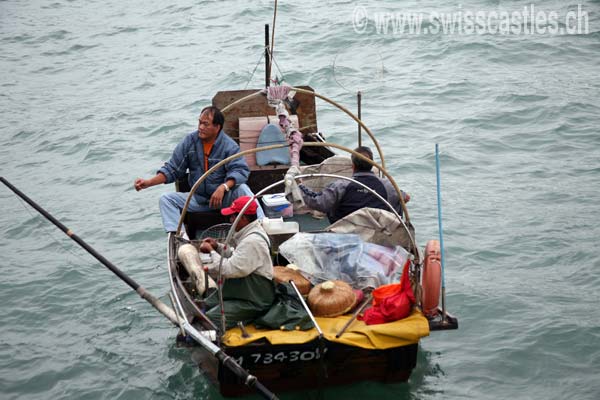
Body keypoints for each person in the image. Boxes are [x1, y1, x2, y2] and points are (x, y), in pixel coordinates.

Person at [134, 106, 263, 233]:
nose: (201, 127)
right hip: (199, 199)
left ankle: (262, 226)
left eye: (206, 124)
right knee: (166, 200)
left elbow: (240, 170)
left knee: (243, 190)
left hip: (225, 199)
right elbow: (173, 168)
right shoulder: (189, 142)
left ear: (217, 127)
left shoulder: (229, 146)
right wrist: (148, 183)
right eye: (200, 122)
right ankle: (180, 237)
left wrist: (223, 187)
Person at [199, 195, 275, 329]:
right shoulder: (250, 233)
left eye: (233, 216)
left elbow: (228, 270)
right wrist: (217, 247)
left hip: (254, 299)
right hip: (243, 291)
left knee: (211, 318)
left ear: (244, 218)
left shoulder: (252, 241)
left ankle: (250, 317)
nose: (230, 219)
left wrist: (211, 251)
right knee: (205, 304)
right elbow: (237, 256)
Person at [299, 146, 410, 224]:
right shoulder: (387, 186)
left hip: (346, 234)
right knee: (395, 202)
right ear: (372, 165)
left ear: (353, 166)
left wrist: (299, 187)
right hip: (378, 234)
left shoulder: (341, 186)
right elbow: (405, 198)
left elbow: (318, 202)